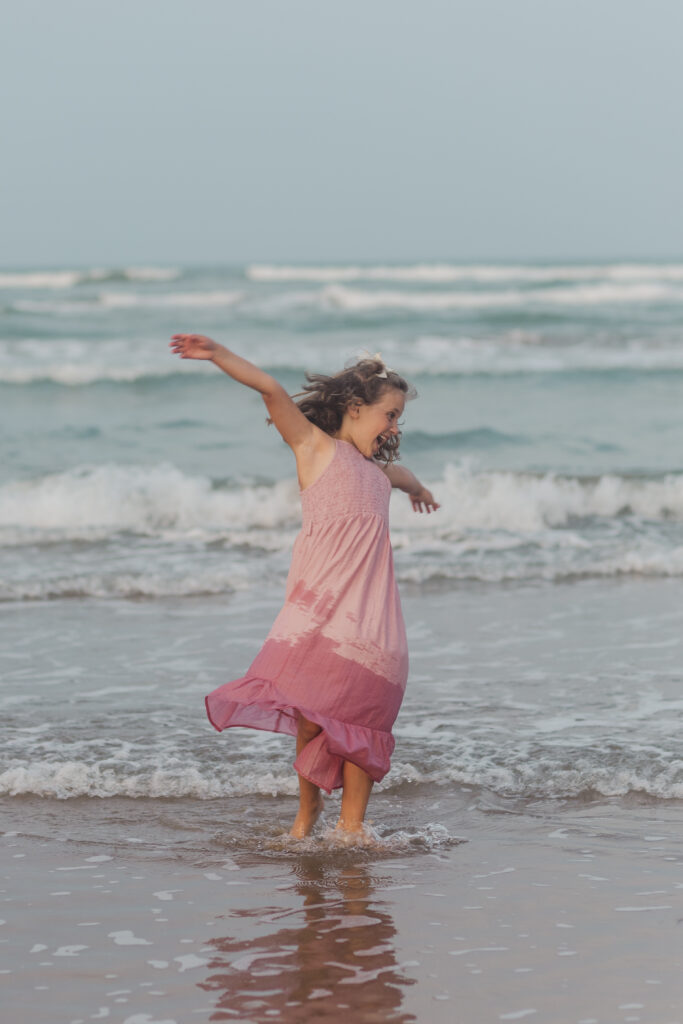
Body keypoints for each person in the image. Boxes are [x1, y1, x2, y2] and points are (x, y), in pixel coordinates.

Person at [169, 334, 439, 838]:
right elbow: (271, 390)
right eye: (390, 415)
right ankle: (307, 811)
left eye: (399, 418)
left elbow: (400, 474)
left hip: (375, 621)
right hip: (320, 615)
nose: (394, 427)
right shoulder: (316, 450)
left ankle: (352, 827)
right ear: (355, 408)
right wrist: (218, 354)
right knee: (313, 714)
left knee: (366, 718)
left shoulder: (378, 474)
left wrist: (419, 489)